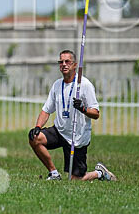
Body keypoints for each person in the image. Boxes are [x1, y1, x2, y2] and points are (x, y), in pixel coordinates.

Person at [27, 50, 117, 181]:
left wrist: (83, 109)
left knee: (75, 180)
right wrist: (38, 126)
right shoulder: (57, 85)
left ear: (74, 65)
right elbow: (46, 110)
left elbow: (96, 114)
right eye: (61, 62)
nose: (64, 64)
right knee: (35, 138)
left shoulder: (84, 85)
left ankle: (99, 173)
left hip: (77, 137)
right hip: (60, 131)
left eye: (67, 62)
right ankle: (54, 174)